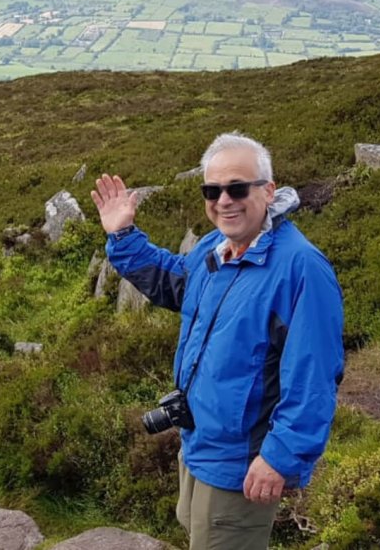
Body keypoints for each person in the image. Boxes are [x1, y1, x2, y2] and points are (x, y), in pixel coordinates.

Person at [89, 132, 344, 549]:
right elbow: (177, 283)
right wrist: (124, 236)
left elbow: (314, 378)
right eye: (213, 189)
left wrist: (279, 457)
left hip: (241, 462)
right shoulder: (217, 246)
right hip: (198, 443)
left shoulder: (300, 269)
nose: (224, 200)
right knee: (196, 530)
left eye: (237, 188)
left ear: (268, 190)